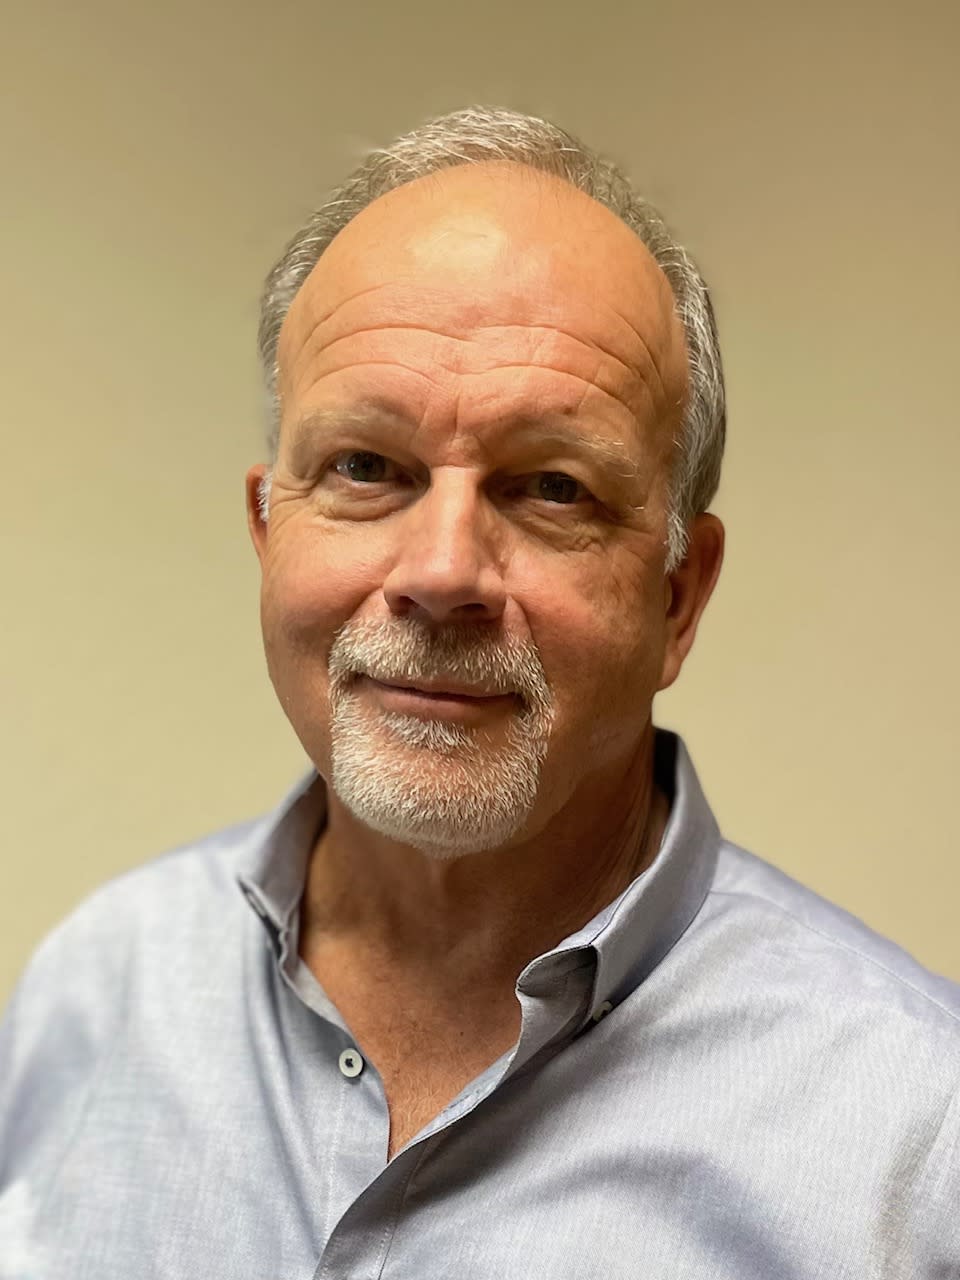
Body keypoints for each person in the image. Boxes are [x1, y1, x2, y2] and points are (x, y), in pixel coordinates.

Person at [1, 105, 957, 1278]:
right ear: (267, 530)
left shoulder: (919, 1142)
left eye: (551, 486)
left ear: (679, 596)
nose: (443, 570)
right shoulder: (96, 991)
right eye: (366, 467)